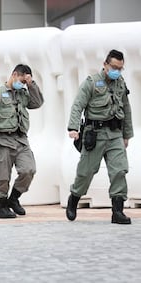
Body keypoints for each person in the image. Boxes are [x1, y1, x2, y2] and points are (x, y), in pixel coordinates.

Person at [66, 49, 133, 224]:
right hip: (94, 135)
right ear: (105, 65)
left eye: (120, 68)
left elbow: (126, 109)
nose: (116, 71)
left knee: (119, 170)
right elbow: (77, 105)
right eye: (114, 67)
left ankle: (117, 211)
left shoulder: (120, 83)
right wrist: (73, 127)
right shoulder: (92, 83)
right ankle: (74, 198)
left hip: (115, 134)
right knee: (86, 172)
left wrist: (127, 134)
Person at [0, 64, 44, 219]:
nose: (22, 84)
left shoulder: (23, 93)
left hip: (21, 139)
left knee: (28, 170)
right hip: (3, 140)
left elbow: (37, 103)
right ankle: (2, 207)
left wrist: (31, 84)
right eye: (22, 80)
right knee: (3, 177)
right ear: (14, 74)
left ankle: (14, 198)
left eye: (25, 82)